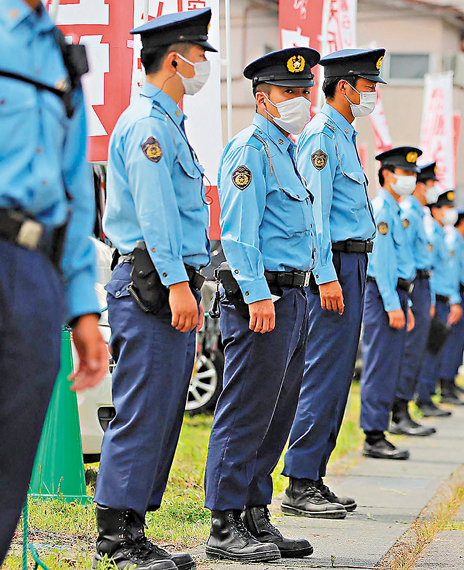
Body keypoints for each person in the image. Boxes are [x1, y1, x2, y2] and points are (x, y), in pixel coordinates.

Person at [94, 10, 216, 570]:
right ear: (176, 59)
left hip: (165, 285)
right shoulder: (148, 124)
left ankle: (136, 529)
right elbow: (157, 215)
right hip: (151, 284)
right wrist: (177, 285)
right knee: (142, 409)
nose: (202, 68)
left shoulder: (167, 122)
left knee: (163, 409)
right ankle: (117, 538)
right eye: (199, 57)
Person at [202, 47, 320, 562]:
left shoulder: (288, 149)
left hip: (293, 294)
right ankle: (224, 523)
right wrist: (255, 294)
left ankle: (254, 512)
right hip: (263, 296)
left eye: (303, 91)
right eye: (288, 92)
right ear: (262, 98)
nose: (299, 99)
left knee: (278, 411)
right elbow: (239, 232)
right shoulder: (250, 149)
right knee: (247, 409)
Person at [0, 0, 107, 564]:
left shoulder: (60, 53)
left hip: (35, 272)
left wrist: (82, 309)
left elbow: (74, 190)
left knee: (10, 463)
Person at [282, 48, 383, 518]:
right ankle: (299, 480)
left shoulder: (345, 135)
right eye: (368, 85)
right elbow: (315, 217)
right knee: (322, 371)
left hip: (352, 266)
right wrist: (324, 276)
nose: (372, 95)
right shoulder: (321, 136)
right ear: (344, 86)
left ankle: (315, 476)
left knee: (340, 375)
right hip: (334, 268)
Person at [360, 146, 420, 459]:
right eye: (405, 173)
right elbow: (381, 262)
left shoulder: (397, 209)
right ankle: (373, 435)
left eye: (413, 174)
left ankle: (379, 430)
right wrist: (392, 303)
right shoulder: (383, 209)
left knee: (390, 363)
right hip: (385, 293)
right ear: (387, 174)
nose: (410, 179)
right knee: (380, 365)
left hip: (397, 293)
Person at [392, 161, 439, 437]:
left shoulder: (421, 213)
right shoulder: (409, 211)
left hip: (424, 282)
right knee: (409, 350)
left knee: (417, 348)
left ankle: (405, 407)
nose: (433, 190)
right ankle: (399, 412)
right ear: (421, 185)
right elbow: (404, 252)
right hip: (413, 283)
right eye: (431, 185)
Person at [417, 190, 462, 417]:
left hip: (444, 301)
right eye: (446, 208)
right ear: (435, 210)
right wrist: (432, 300)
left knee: (436, 349)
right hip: (436, 301)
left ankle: (428, 395)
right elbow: (430, 273)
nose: (450, 213)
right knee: (430, 349)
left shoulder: (442, 235)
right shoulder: (432, 236)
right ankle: (423, 397)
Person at [438, 208, 464, 404]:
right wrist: (455, 300)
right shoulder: (453, 240)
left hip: (460, 294)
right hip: (453, 294)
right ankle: (445, 387)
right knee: (451, 343)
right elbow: (451, 274)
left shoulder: (461, 242)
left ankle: (450, 382)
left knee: (458, 343)